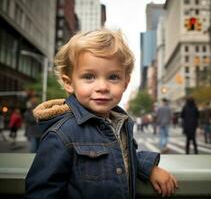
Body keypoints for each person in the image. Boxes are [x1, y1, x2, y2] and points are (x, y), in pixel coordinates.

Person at [25, 29, 178, 199]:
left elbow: (121, 155)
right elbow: (42, 192)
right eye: (89, 76)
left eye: (113, 77)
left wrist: (149, 168)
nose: (103, 87)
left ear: (125, 84)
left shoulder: (121, 123)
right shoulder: (61, 134)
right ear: (69, 83)